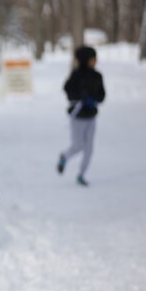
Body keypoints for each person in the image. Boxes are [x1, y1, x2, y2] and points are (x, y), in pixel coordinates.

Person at [57, 45, 106, 186]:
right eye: (93, 58)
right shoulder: (76, 74)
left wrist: (94, 99)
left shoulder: (98, 76)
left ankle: (81, 175)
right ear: (85, 59)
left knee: (89, 149)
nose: (95, 61)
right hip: (78, 117)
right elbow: (67, 90)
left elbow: (102, 95)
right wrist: (80, 97)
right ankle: (64, 156)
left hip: (91, 116)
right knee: (78, 145)